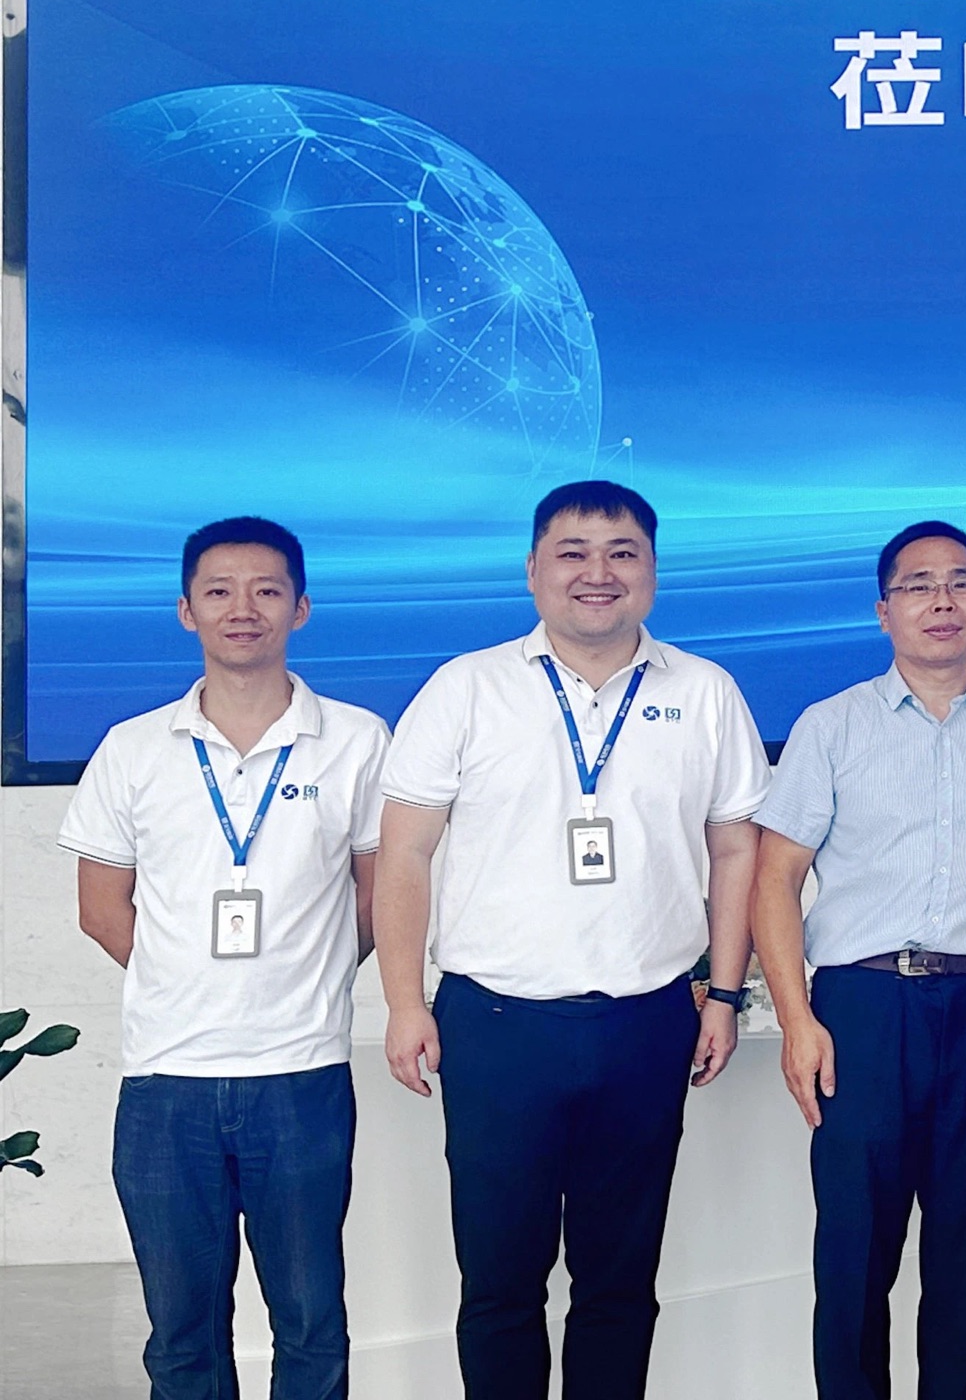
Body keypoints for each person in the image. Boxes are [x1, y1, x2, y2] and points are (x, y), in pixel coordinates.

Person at [375, 480, 768, 1400]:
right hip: (495, 1024)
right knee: (499, 1282)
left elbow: (736, 849)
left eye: (623, 553)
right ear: (533, 570)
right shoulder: (466, 687)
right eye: (573, 553)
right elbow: (404, 853)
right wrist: (402, 1002)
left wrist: (724, 991)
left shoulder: (704, 692)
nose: (599, 573)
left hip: (647, 1019)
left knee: (619, 1284)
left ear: (653, 571)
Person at [61, 518, 388, 1400]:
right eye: (219, 591)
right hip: (167, 1079)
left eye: (266, 590)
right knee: (181, 1335)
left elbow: (380, 896)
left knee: (312, 1325)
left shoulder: (358, 741)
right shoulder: (132, 748)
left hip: (302, 1074)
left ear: (301, 607)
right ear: (186, 610)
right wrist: (186, 979)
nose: (243, 609)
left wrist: (306, 971)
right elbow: (101, 909)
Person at [752, 520, 966, 1400]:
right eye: (918, 585)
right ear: (883, 610)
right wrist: (797, 1019)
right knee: (853, 1254)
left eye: (960, 582)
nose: (942, 601)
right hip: (862, 1010)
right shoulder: (831, 726)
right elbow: (775, 879)